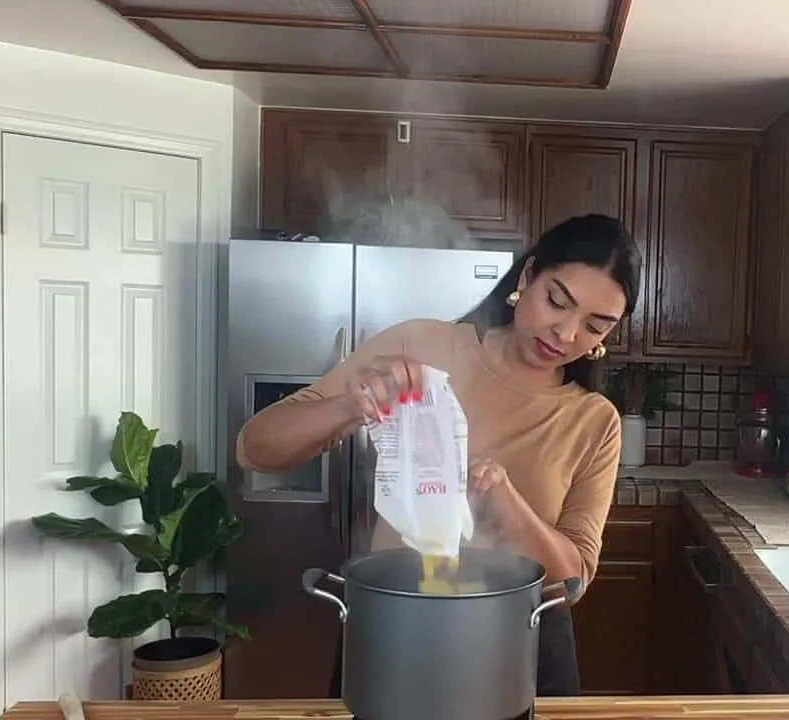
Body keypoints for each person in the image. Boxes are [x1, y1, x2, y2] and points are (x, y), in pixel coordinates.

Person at [236, 213, 642, 698]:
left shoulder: (594, 421)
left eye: (595, 327)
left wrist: (504, 499)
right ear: (528, 277)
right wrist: (353, 404)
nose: (566, 334)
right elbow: (255, 449)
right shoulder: (421, 346)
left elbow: (572, 578)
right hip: (396, 623)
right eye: (558, 301)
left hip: (523, 642)